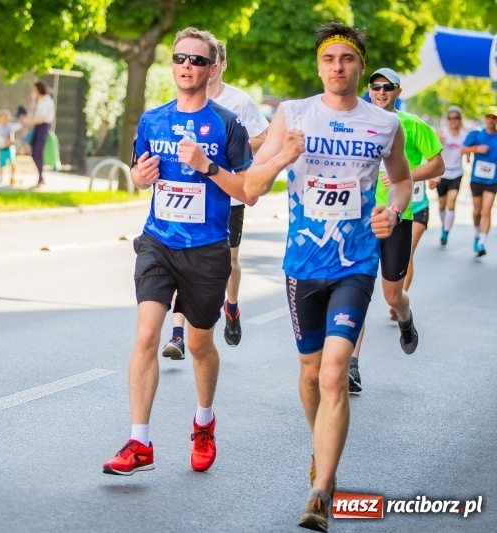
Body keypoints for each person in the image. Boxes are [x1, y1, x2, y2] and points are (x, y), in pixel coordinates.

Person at [243, 23, 411, 532]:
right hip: (303, 265)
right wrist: (282, 157)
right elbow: (251, 186)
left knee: (336, 373)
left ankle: (320, 492)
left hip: (355, 262)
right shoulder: (293, 114)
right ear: (319, 67)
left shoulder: (384, 124)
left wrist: (392, 212)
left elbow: (401, 180)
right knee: (312, 373)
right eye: (329, 59)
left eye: (347, 58)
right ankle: (322, 450)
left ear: (361, 66)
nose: (338, 66)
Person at [102, 27, 254, 476]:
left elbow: (248, 191)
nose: (187, 66)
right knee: (147, 335)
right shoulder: (152, 120)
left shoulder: (228, 124)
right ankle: (140, 442)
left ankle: (204, 422)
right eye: (180, 58)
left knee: (200, 345)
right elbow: (137, 174)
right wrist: (140, 177)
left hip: (206, 250)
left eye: (197, 60)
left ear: (212, 68)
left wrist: (207, 166)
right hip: (158, 242)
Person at [161, 40, 269, 359]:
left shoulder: (239, 102)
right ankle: (177, 334)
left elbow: (263, 137)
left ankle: (231, 306)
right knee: (180, 259)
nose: (198, 66)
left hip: (227, 197)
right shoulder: (184, 100)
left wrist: (231, 145)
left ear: (219, 66)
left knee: (230, 262)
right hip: (188, 196)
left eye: (208, 61)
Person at [347, 68, 444, 392]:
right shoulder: (357, 122)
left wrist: (405, 175)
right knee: (356, 289)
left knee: (392, 295)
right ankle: (352, 366)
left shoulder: (412, 125)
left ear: (398, 91)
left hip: (398, 216)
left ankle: (405, 316)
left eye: (387, 87)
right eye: (375, 86)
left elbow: (438, 164)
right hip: (360, 217)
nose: (380, 91)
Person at [463, 106, 497, 256]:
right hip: (477, 178)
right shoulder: (476, 133)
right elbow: (463, 149)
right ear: (485, 118)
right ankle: (477, 234)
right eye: (489, 116)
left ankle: (482, 242)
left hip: (493, 179)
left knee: (486, 210)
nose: (491, 120)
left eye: (494, 117)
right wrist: (476, 149)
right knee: (477, 211)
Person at [435, 106, 469, 245]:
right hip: (442, 173)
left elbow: (467, 153)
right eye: (450, 118)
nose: (453, 121)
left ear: (460, 120)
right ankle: (444, 225)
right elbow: (433, 153)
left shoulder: (464, 136)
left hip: (456, 172)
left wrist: (468, 153)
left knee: (451, 201)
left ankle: (446, 231)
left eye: (456, 118)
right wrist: (439, 143)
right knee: (442, 204)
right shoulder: (442, 133)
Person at [20, 80, 55, 188]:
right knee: (35, 153)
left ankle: (41, 178)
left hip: (43, 127)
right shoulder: (40, 100)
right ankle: (41, 177)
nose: (33, 91)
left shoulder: (47, 101)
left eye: (34, 89)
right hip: (38, 127)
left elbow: (42, 118)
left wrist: (28, 121)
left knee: (37, 152)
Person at [0, 109, 18, 185]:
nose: (5, 120)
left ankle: (13, 176)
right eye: (3, 118)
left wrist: (11, 141)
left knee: (12, 162)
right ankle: (1, 177)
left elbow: (18, 126)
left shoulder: (10, 126)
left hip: (10, 148)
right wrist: (6, 141)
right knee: (1, 164)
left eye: (6, 118)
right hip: (2, 148)